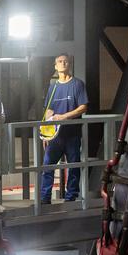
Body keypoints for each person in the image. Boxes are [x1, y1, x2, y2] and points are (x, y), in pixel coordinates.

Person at [39, 54, 89, 204]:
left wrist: (64, 117)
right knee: (47, 167)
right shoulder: (53, 87)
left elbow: (83, 107)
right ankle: (44, 198)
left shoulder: (77, 84)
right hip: (55, 136)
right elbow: (48, 111)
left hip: (72, 134)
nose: (63, 63)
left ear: (69, 64)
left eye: (65, 61)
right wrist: (45, 134)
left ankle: (70, 198)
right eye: (60, 61)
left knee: (73, 167)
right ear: (56, 66)